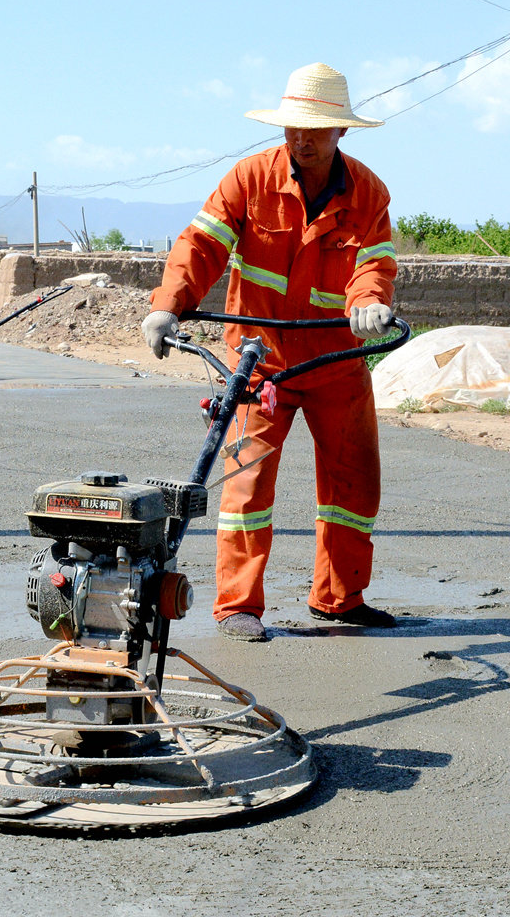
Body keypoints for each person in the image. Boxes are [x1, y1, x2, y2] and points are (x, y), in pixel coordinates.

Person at [142, 62, 398, 642]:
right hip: (260, 364)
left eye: (314, 129)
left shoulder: (369, 193)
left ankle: (339, 598)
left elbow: (373, 265)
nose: (300, 139)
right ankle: (238, 607)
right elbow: (202, 244)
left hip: (336, 364)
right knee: (246, 486)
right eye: (292, 128)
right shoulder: (250, 179)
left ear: (342, 133)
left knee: (353, 486)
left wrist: (370, 302)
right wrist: (168, 303)